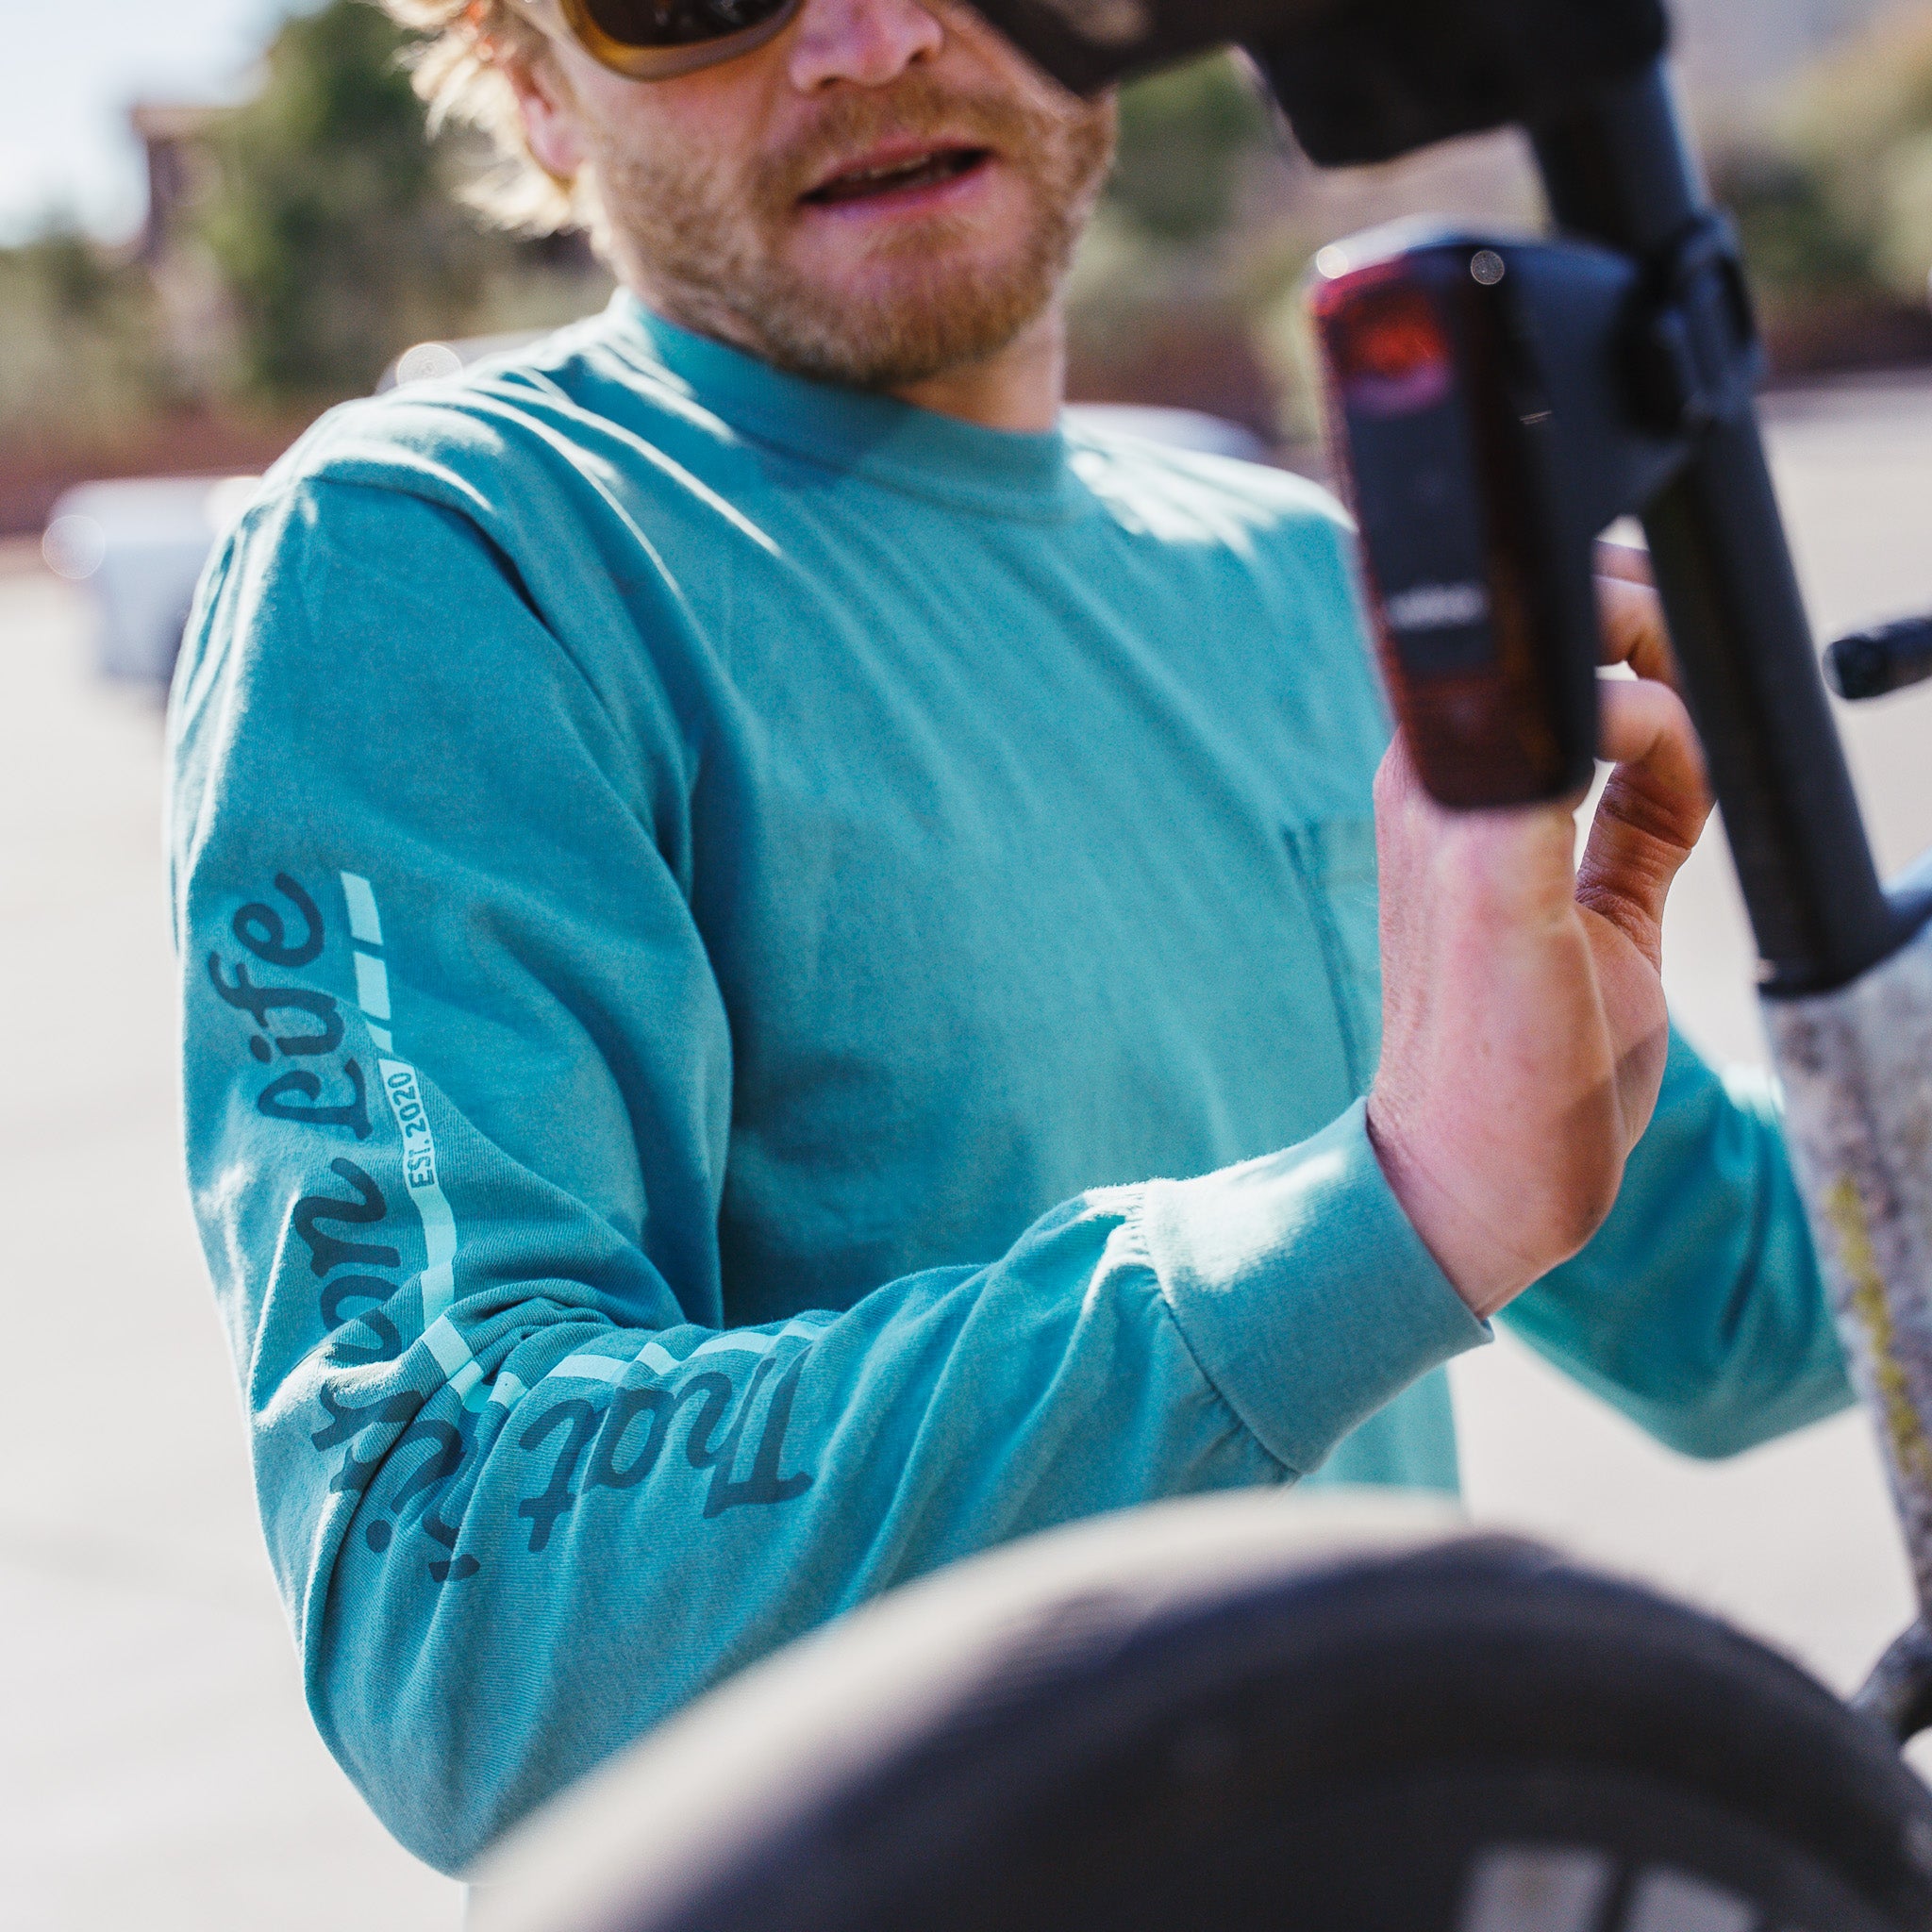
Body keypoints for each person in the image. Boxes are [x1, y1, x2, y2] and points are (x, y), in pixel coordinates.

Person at [166, 0, 1848, 1876]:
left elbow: (1744, 1305)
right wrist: (1384, 1216)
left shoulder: (1306, 585)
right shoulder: (442, 555)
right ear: (536, 87)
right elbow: (464, 1618)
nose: (868, 36)